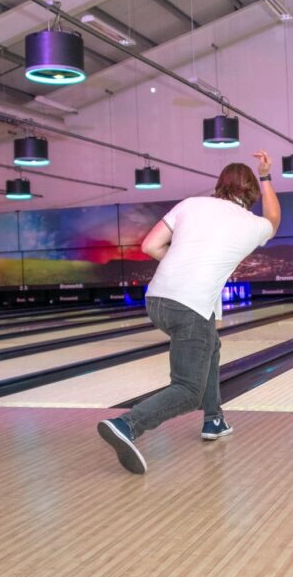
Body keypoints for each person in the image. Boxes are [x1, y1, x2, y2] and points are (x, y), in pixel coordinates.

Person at [97, 150, 281, 474]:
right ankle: (126, 425)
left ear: (220, 185)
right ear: (251, 193)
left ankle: (214, 420)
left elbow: (150, 247)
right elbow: (275, 220)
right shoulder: (252, 224)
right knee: (187, 390)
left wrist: (183, 265)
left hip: (156, 300)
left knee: (211, 343)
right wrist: (266, 175)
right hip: (189, 308)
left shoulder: (190, 204)